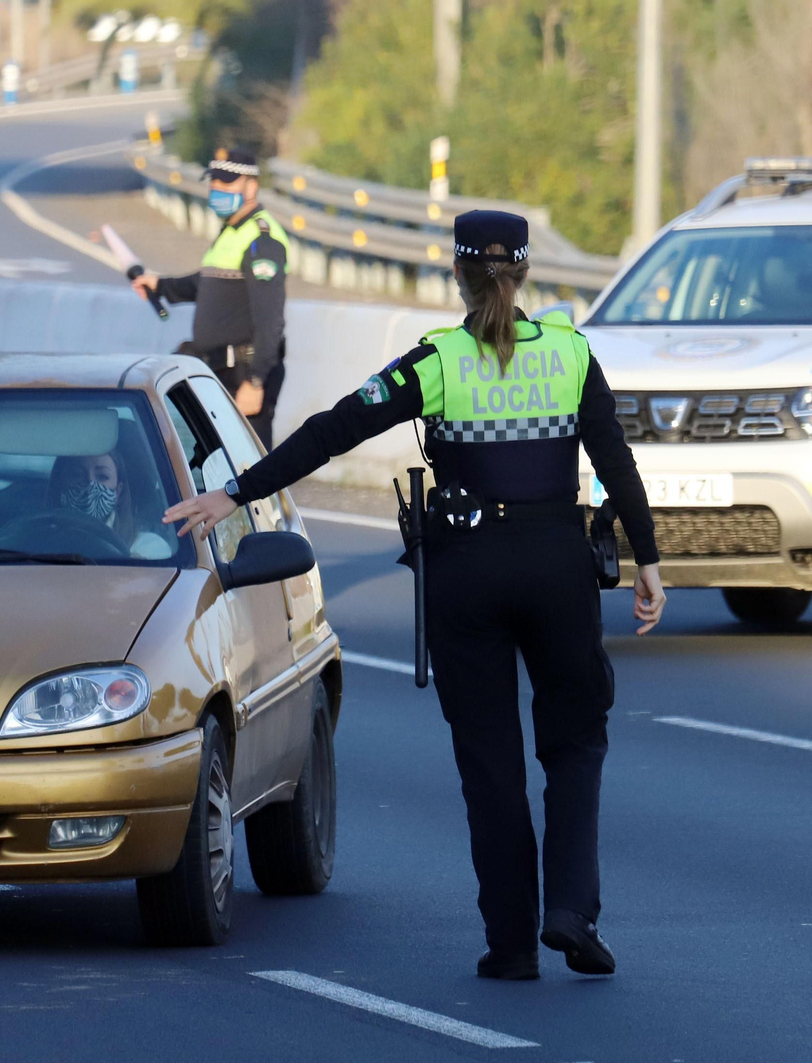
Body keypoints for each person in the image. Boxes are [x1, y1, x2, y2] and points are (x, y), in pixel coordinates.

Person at [162, 210, 667, 980]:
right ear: (524, 273)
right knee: (574, 744)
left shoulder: (435, 362)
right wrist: (650, 561)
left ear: (457, 275)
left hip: (468, 571)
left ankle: (511, 943)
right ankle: (571, 910)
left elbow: (334, 429)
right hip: (559, 565)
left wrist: (234, 492)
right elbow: (617, 461)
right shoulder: (570, 352)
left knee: (489, 763)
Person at [131, 147, 289, 446]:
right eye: (214, 180)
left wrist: (255, 382)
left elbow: (271, 320)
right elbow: (207, 284)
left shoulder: (262, 240)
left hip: (243, 372)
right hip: (216, 369)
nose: (217, 188)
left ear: (251, 186)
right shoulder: (231, 232)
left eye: (227, 181)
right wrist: (161, 286)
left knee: (250, 466)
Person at [49, 451, 173, 560]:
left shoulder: (147, 546)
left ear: (118, 491)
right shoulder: (39, 540)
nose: (90, 485)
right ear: (61, 485)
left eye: (102, 477)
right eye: (77, 475)